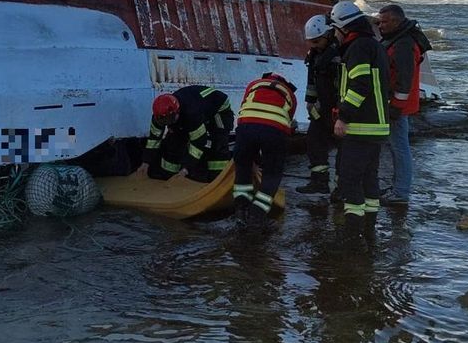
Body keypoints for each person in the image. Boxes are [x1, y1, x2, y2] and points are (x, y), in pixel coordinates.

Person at [328, 0, 391, 244]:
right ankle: (369, 230)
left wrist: (343, 116)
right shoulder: (373, 45)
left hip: (361, 126)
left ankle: (352, 235)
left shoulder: (357, 48)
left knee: (349, 179)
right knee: (369, 179)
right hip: (377, 127)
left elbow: (359, 85)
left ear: (343, 27)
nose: (334, 34)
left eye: (335, 29)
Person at [376, 3, 432, 207]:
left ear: (396, 21)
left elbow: (404, 77)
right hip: (398, 102)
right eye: (379, 21)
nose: (379, 25)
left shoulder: (403, 44)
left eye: (383, 22)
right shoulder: (400, 39)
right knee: (396, 146)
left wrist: (396, 106)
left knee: (399, 147)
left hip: (398, 105)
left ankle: (400, 192)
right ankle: (398, 188)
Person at [232, 72, 299, 227]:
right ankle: (257, 214)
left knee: (242, 168)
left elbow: (246, 107)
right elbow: (287, 122)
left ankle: (241, 212)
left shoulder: (254, 84)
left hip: (246, 126)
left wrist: (253, 160)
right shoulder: (290, 94)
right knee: (272, 173)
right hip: (274, 130)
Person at [136, 85, 234, 182]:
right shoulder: (159, 116)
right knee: (173, 142)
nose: (168, 124)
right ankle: (168, 175)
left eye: (170, 120)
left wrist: (185, 170)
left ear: (177, 111)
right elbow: (153, 140)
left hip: (218, 108)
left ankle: (218, 177)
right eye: (164, 122)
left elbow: (198, 143)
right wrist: (146, 163)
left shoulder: (192, 113)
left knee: (218, 141)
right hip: (193, 109)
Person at [296, 14, 340, 195]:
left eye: (316, 41)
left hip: (336, 108)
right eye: (310, 42)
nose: (313, 45)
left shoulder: (338, 55)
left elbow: (341, 84)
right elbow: (312, 82)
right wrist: (310, 102)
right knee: (314, 141)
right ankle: (319, 182)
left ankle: (340, 187)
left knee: (343, 148)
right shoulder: (315, 55)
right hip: (320, 108)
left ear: (328, 35)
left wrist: (338, 107)